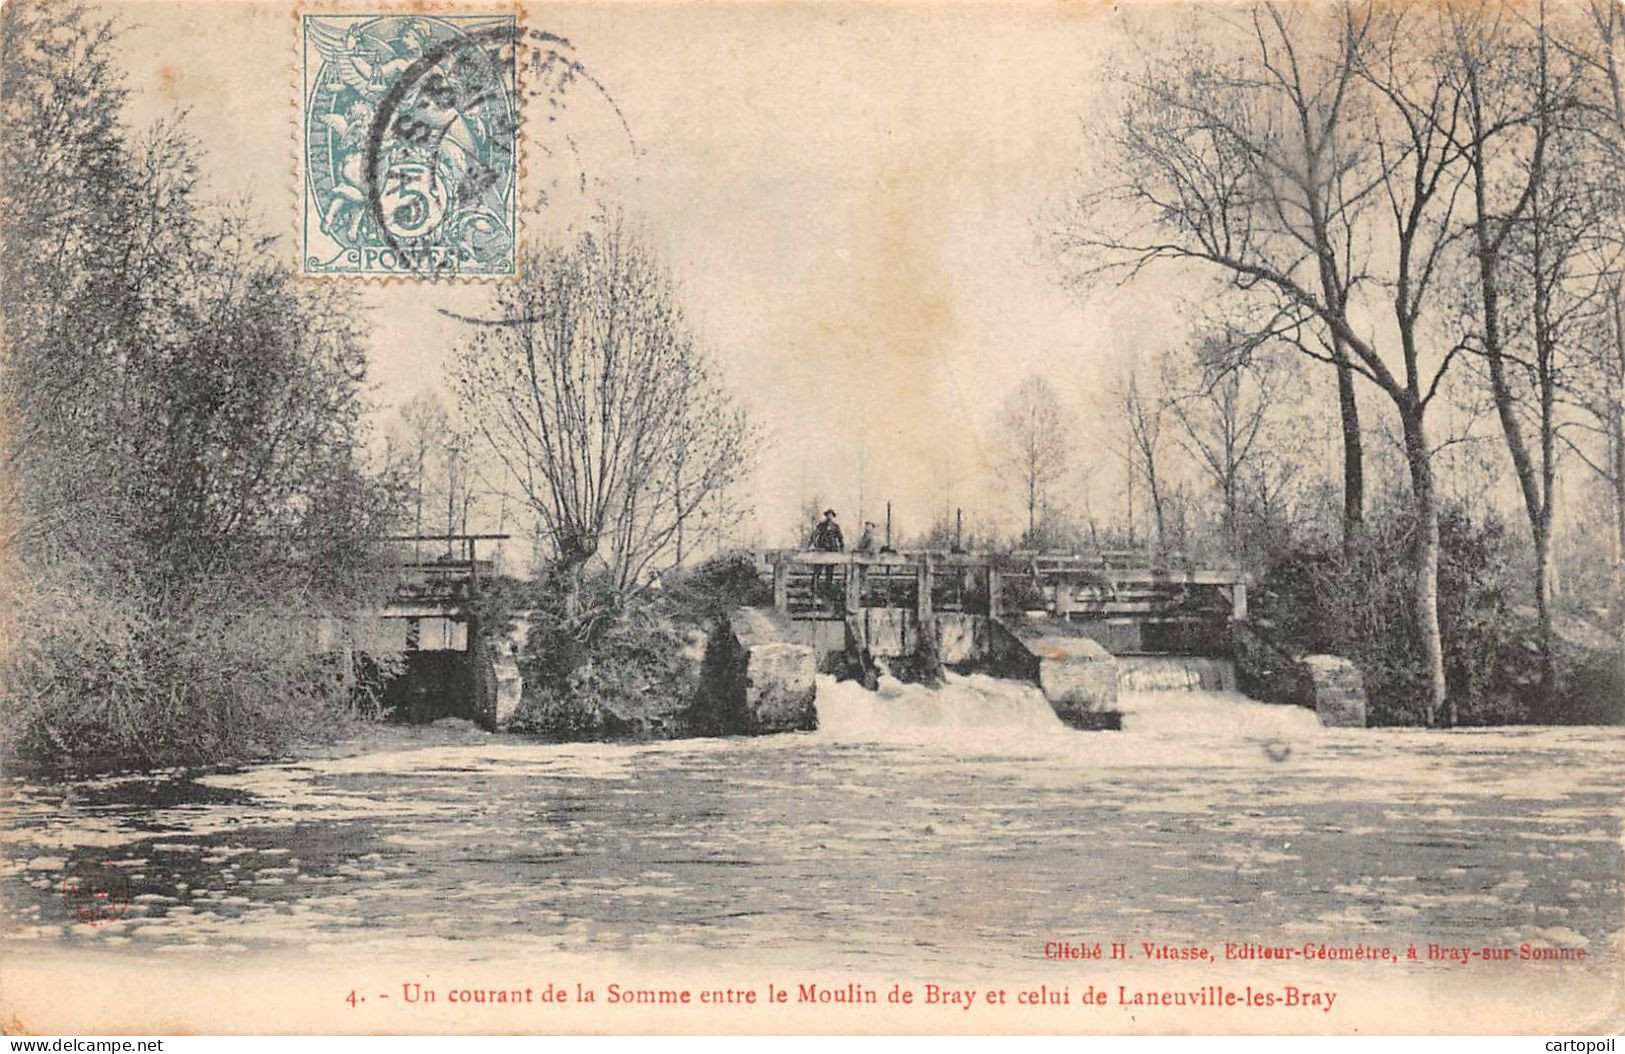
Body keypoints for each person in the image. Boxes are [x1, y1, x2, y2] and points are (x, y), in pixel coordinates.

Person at [808, 508, 844, 600]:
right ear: (826, 516)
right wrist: (811, 545)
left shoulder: (836, 527)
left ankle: (828, 592)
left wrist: (842, 550)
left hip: (832, 551)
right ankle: (813, 590)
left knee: (829, 572)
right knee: (817, 571)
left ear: (833, 516)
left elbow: (840, 538)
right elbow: (814, 535)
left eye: (831, 515)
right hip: (822, 550)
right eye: (828, 515)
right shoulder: (821, 526)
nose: (830, 517)